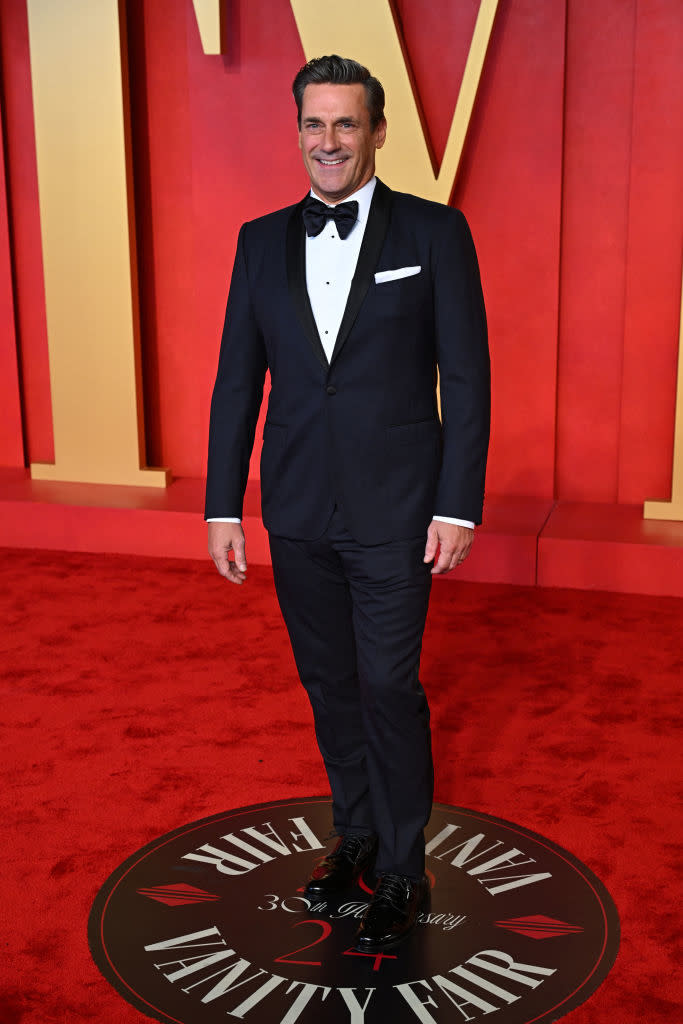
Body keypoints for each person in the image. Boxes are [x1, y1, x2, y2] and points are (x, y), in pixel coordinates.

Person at [206, 55, 490, 952]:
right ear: (296, 130)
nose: (327, 141)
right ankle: (355, 835)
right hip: (295, 503)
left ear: (376, 131)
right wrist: (223, 505)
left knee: (386, 684)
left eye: (345, 123)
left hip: (400, 510)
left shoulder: (436, 233)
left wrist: (458, 505)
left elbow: (467, 378)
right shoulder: (258, 239)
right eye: (313, 124)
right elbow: (234, 382)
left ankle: (404, 867)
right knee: (328, 684)